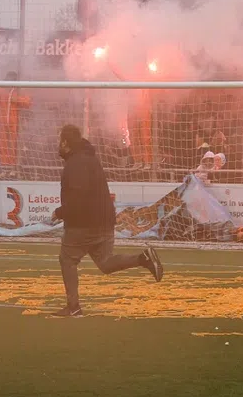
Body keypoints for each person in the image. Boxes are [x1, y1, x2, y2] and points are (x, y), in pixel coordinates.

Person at [50, 125, 163, 316]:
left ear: (66, 143)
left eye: (59, 140)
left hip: (84, 223)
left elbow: (79, 197)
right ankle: (142, 258)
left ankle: (73, 306)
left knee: (67, 259)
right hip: (104, 220)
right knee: (105, 262)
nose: (57, 144)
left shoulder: (76, 163)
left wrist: (59, 212)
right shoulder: (89, 158)